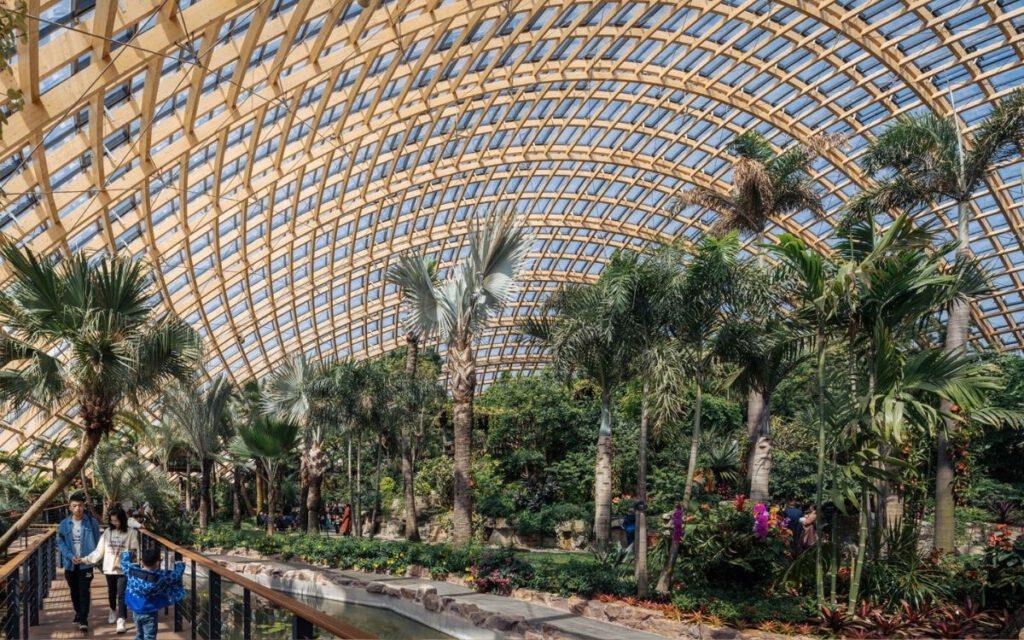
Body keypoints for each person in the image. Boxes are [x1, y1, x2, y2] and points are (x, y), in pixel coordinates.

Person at [82, 505, 142, 634]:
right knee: (111, 591)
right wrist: (85, 559)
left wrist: (125, 559)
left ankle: (121, 619)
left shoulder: (131, 532)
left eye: (117, 520)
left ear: (122, 520)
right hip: (109, 567)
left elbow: (134, 551)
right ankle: (112, 609)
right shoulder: (108, 532)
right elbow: (99, 551)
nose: (115, 523)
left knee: (121, 593)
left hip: (123, 568)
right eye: (112, 521)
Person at [57, 491, 101, 631]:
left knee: (84, 591)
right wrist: (70, 556)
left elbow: (98, 542)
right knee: (74, 591)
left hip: (85, 564)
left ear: (84, 506)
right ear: (70, 508)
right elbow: (61, 542)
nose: (78, 508)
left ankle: (83, 620)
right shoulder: (64, 524)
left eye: (80, 505)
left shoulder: (92, 523)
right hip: (70, 564)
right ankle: (78, 612)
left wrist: (91, 558)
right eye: (75, 506)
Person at [122, 548, 186, 640]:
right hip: (149, 612)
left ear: (142, 561)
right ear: (157, 562)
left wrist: (128, 553)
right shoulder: (160, 577)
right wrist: (180, 564)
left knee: (139, 634)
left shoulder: (132, 571)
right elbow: (175, 576)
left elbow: (124, 563)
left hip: (135, 610)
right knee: (149, 636)